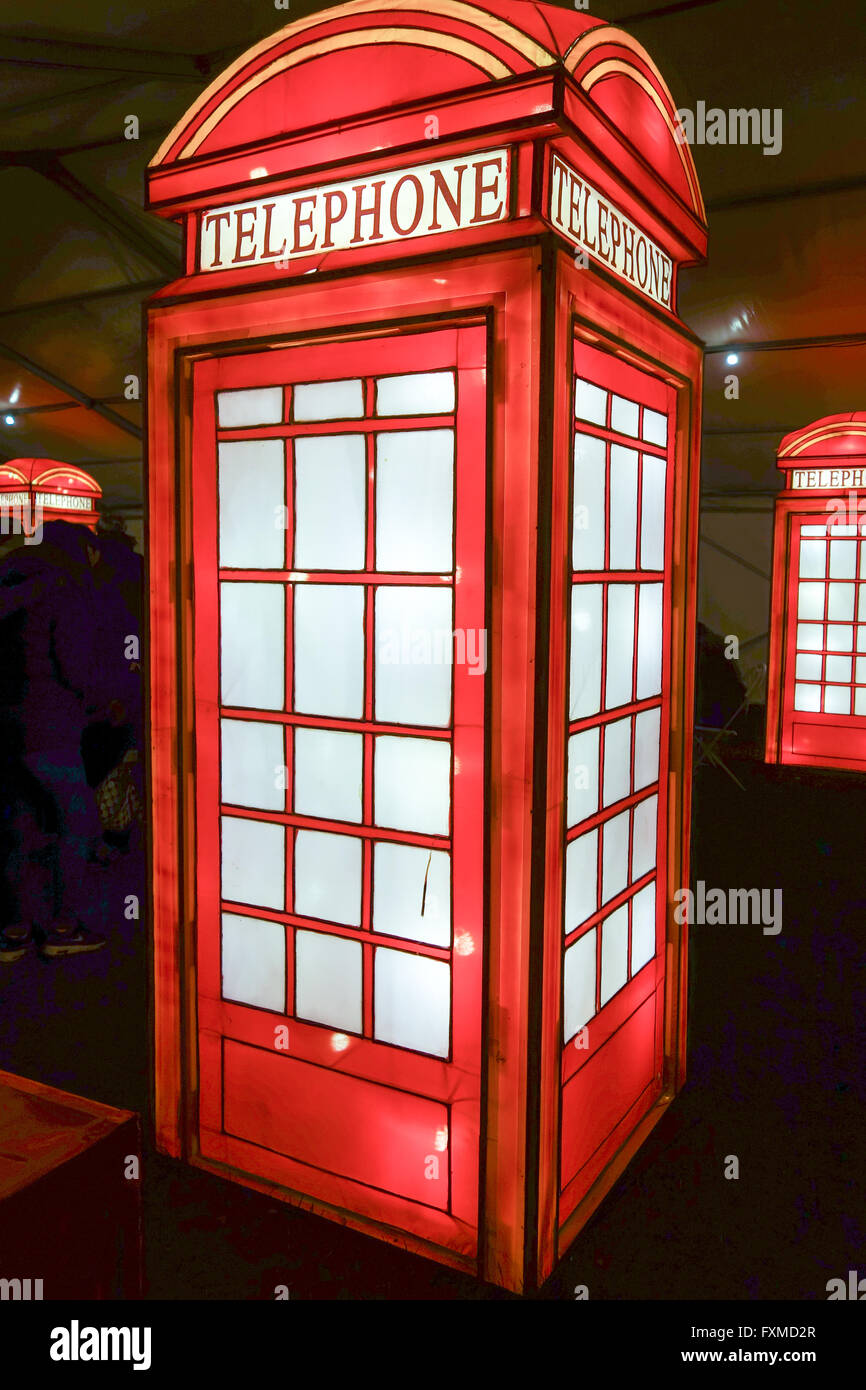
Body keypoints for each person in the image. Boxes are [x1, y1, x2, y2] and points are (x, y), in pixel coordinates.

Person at [0, 520, 109, 961]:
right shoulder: (61, 590)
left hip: (6, 731)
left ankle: (13, 930)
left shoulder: (8, 583)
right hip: (49, 727)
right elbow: (73, 663)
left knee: (18, 829)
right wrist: (103, 699)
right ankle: (64, 925)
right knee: (76, 827)